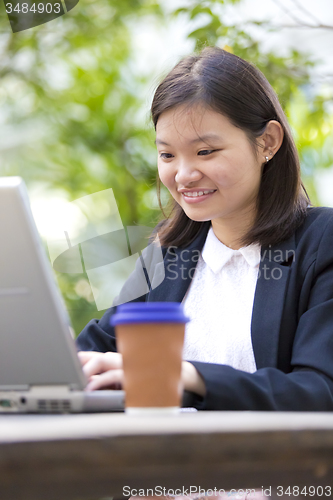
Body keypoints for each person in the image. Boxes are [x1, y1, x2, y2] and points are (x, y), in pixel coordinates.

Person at [76, 46, 333, 411]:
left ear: (268, 142)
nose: (183, 175)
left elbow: (319, 391)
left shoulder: (322, 241)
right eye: (167, 154)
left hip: (272, 465)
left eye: (205, 151)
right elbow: (98, 346)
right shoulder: (168, 253)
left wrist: (184, 374)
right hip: (158, 461)